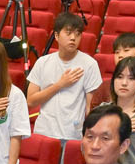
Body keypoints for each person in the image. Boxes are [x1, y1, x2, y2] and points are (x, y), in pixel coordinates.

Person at [25, 13, 104, 143]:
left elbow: (90, 108)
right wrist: (60, 85)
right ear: (56, 36)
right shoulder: (42, 62)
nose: (73, 38)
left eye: (77, 34)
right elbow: (31, 101)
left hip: (72, 135)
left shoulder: (89, 64)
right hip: (43, 132)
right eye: (68, 33)